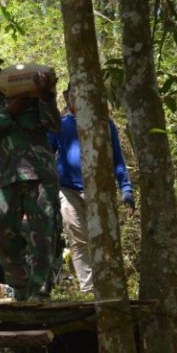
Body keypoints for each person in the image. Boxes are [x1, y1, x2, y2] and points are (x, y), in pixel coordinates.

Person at [0, 51, 61, 301]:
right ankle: (20, 283)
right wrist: (10, 110)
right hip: (5, 178)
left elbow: (53, 124)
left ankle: (40, 290)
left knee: (43, 232)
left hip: (39, 174)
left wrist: (47, 95)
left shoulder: (29, 96)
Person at [47, 84, 135, 293]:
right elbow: (46, 155)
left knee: (105, 239)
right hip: (68, 191)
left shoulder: (104, 123)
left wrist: (126, 188)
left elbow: (117, 159)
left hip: (99, 189)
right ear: (67, 97)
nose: (76, 99)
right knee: (78, 240)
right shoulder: (60, 124)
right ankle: (88, 290)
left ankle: (111, 287)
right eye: (72, 95)